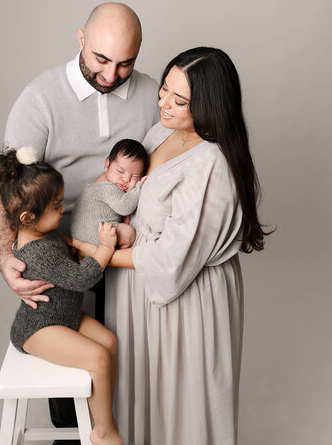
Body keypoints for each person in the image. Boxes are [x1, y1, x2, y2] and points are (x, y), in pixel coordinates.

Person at [73, 47, 271, 445]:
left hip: (185, 302)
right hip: (134, 293)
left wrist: (97, 253)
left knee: (181, 405)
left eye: (179, 101)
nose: (163, 104)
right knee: (139, 394)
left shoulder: (214, 165)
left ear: (211, 106)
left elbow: (170, 260)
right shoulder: (162, 130)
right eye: (164, 90)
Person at [0, 3, 159, 442]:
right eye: (101, 60)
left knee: (124, 352)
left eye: (126, 63)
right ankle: (82, 433)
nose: (110, 75)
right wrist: (5, 254)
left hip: (123, 248)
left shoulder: (151, 96)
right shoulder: (41, 97)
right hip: (61, 253)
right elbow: (13, 187)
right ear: (81, 40)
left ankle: (126, 425)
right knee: (73, 357)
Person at [0, 146, 123, 445]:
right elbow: (81, 278)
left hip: (63, 316)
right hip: (40, 328)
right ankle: (104, 431)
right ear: (28, 216)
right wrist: (104, 247)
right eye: (57, 205)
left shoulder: (39, 233)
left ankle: (98, 410)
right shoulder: (39, 252)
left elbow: (59, 241)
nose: (63, 209)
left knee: (110, 342)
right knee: (99, 356)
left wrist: (70, 241)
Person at [70, 139, 149, 248]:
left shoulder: (104, 182)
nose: (126, 179)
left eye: (135, 176)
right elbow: (125, 207)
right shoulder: (106, 187)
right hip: (91, 235)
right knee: (128, 233)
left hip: (82, 234)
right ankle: (108, 254)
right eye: (120, 171)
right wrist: (138, 186)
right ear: (107, 165)